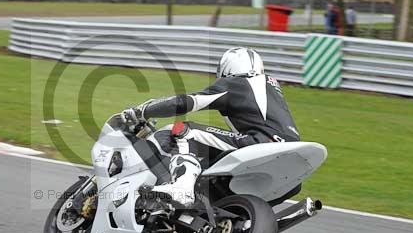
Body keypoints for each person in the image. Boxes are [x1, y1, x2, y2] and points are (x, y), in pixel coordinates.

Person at [122, 47, 300, 206]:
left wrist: (143, 110)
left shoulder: (235, 83)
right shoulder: (271, 86)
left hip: (261, 142)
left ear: (228, 69)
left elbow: (189, 102)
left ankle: (181, 189)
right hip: (291, 156)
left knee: (184, 131)